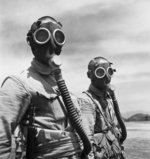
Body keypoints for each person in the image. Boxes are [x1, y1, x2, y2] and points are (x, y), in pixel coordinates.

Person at [0, 16, 91, 159]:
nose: (51, 43)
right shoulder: (19, 83)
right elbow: (1, 140)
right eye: (43, 36)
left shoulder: (63, 88)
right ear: (32, 42)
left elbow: (82, 133)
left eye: (58, 36)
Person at [78, 57, 127, 159]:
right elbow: (86, 137)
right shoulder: (87, 100)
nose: (106, 77)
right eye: (100, 72)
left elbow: (117, 125)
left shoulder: (108, 98)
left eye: (109, 72)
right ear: (90, 75)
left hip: (114, 151)